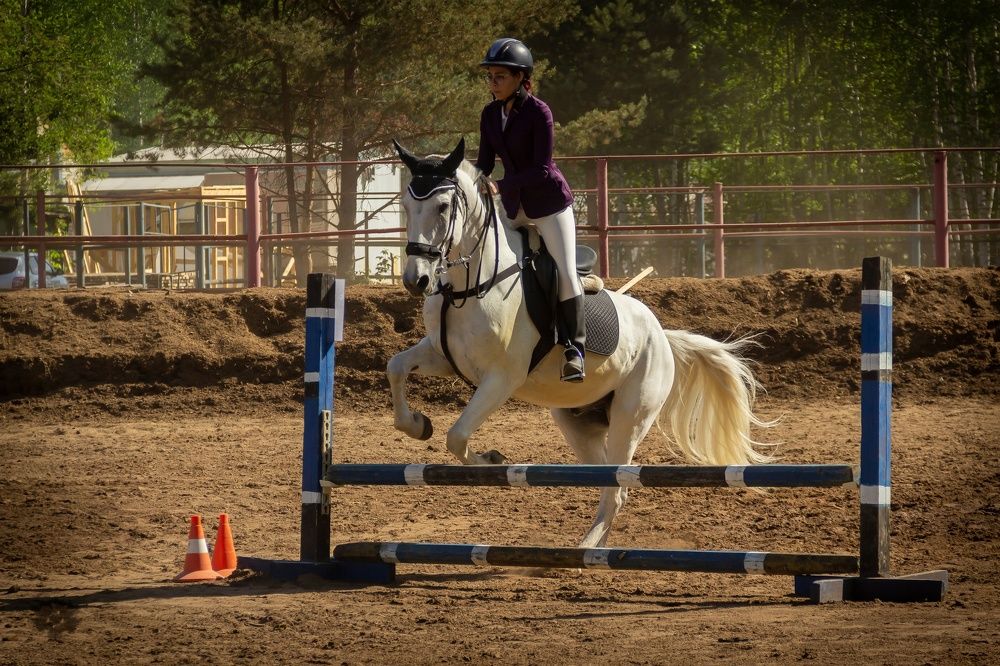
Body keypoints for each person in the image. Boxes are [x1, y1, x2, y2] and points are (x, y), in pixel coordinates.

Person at [474, 37, 586, 383]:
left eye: (499, 77)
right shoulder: (490, 114)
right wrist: (466, 179)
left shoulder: (540, 112)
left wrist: (500, 186)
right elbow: (483, 163)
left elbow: (540, 168)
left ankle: (574, 349)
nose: (492, 83)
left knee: (566, 271)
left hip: (549, 205)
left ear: (522, 78)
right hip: (515, 206)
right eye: (490, 77)